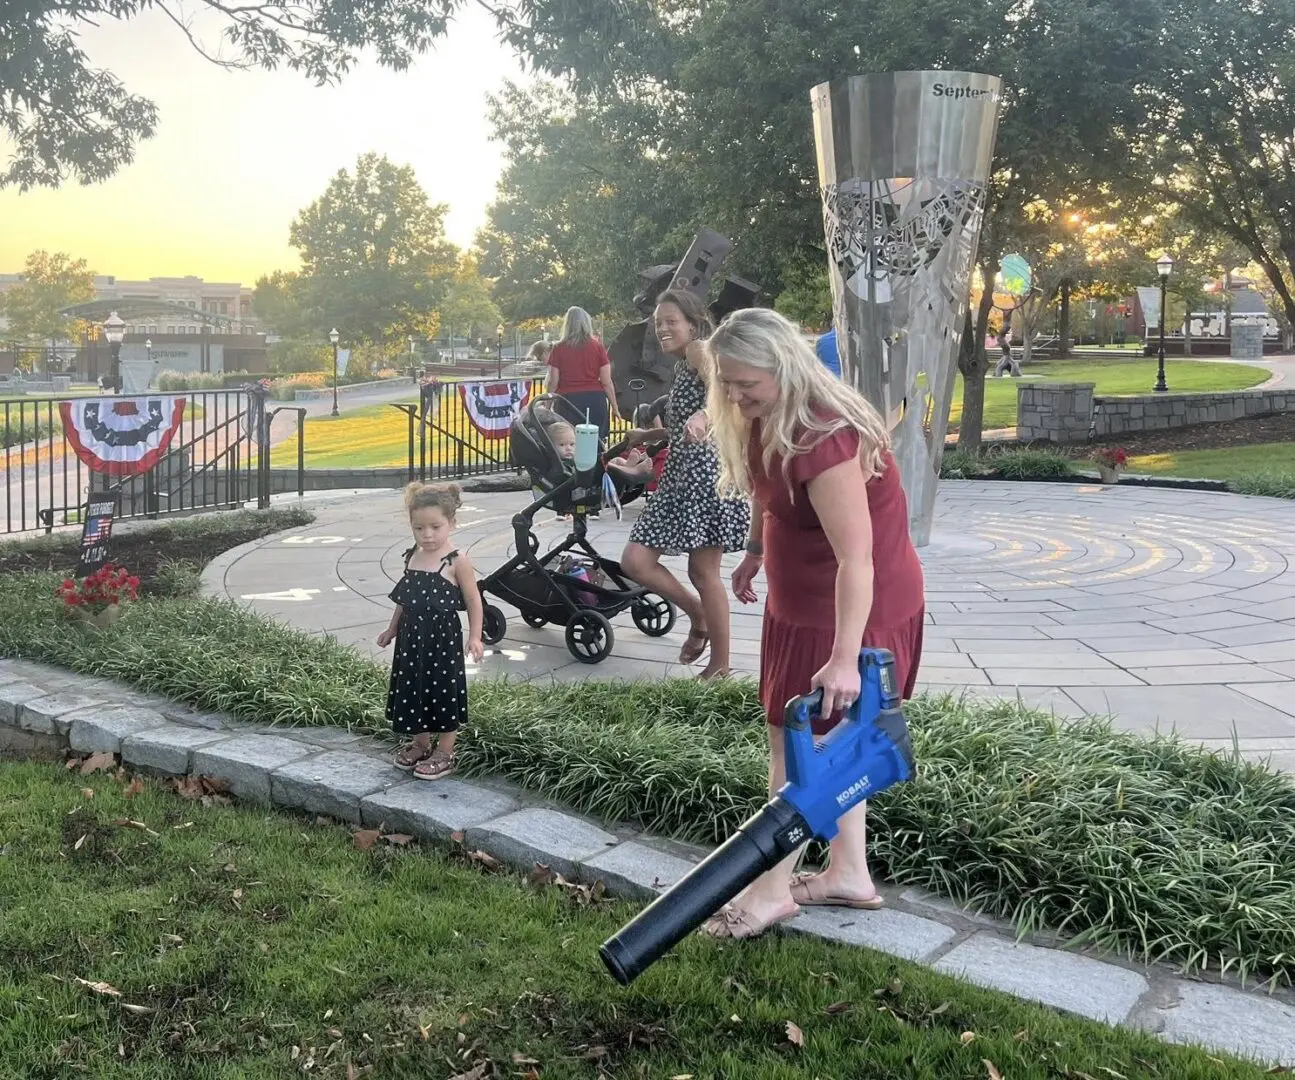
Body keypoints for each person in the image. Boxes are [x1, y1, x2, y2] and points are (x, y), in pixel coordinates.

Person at [699, 306, 925, 939]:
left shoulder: (823, 437)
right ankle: (848, 872)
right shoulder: (764, 417)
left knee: (801, 748)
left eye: (748, 383)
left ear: (786, 368)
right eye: (727, 382)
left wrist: (846, 658)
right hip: (800, 605)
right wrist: (752, 554)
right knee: (828, 744)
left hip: (850, 612)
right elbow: (768, 495)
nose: (735, 394)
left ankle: (771, 892)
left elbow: (859, 558)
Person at [620, 290, 750, 680]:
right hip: (679, 476)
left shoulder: (699, 350)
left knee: (703, 572)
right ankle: (698, 616)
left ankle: (720, 665)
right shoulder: (681, 365)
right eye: (658, 322)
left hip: (707, 478)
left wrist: (701, 416)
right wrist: (647, 436)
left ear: (692, 324)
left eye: (670, 320)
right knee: (636, 561)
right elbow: (684, 427)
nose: (662, 328)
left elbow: (724, 390)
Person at [379, 482, 484, 780]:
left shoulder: (457, 560)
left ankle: (445, 752)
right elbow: (405, 598)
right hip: (411, 639)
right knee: (413, 688)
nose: (427, 535)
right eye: (419, 528)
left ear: (451, 523)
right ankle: (420, 743)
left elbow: (475, 601)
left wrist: (475, 636)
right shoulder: (413, 554)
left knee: (442, 690)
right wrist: (391, 629)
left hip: (441, 640)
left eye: (435, 527)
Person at [546, 307, 619, 437]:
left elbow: (553, 382)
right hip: (594, 400)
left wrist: (547, 406)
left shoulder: (558, 348)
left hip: (567, 402)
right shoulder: (597, 347)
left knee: (568, 443)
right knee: (596, 443)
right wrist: (614, 407)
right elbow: (606, 382)